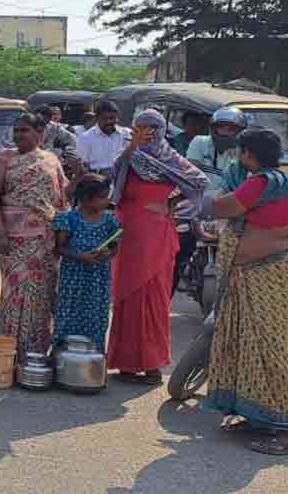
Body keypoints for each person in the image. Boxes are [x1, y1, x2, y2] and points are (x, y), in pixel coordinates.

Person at [199, 128, 288, 455]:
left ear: (249, 154)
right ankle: (258, 416)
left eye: (241, 152)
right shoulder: (272, 180)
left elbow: (223, 207)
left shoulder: (261, 182)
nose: (239, 157)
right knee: (249, 348)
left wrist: (194, 195)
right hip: (254, 278)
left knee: (268, 351)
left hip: (269, 278)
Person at [107, 109, 208, 385]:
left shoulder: (172, 158)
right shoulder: (127, 158)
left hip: (157, 235)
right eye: (142, 127)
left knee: (154, 298)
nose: (148, 132)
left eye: (153, 127)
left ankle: (152, 365)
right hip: (129, 234)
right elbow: (115, 179)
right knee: (126, 297)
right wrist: (132, 146)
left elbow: (199, 184)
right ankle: (125, 364)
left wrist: (171, 206)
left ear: (163, 130)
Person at [0, 113, 68, 358]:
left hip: (44, 239)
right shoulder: (3, 158)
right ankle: (10, 352)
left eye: (24, 130)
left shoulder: (51, 160)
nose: (19, 135)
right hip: (14, 239)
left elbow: (61, 198)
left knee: (40, 295)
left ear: (39, 134)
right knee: (13, 295)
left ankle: (35, 353)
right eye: (17, 130)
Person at [51, 174, 122, 352]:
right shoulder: (68, 219)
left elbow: (114, 248)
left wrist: (105, 255)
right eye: (102, 197)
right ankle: (61, 359)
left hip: (98, 281)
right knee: (68, 315)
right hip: (73, 280)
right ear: (86, 199)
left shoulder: (110, 222)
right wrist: (82, 257)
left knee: (96, 317)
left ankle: (92, 362)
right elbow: (59, 249)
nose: (107, 201)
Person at [187, 107, 249, 188]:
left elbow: (240, 183)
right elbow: (192, 172)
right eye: (222, 128)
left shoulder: (244, 151)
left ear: (240, 131)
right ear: (214, 128)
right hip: (200, 194)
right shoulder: (200, 141)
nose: (226, 132)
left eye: (231, 129)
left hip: (227, 197)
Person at [76, 99, 130, 177]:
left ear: (117, 118)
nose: (108, 121)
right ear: (97, 118)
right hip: (97, 179)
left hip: (123, 176)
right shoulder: (85, 138)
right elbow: (83, 164)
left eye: (112, 118)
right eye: (105, 118)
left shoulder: (126, 134)